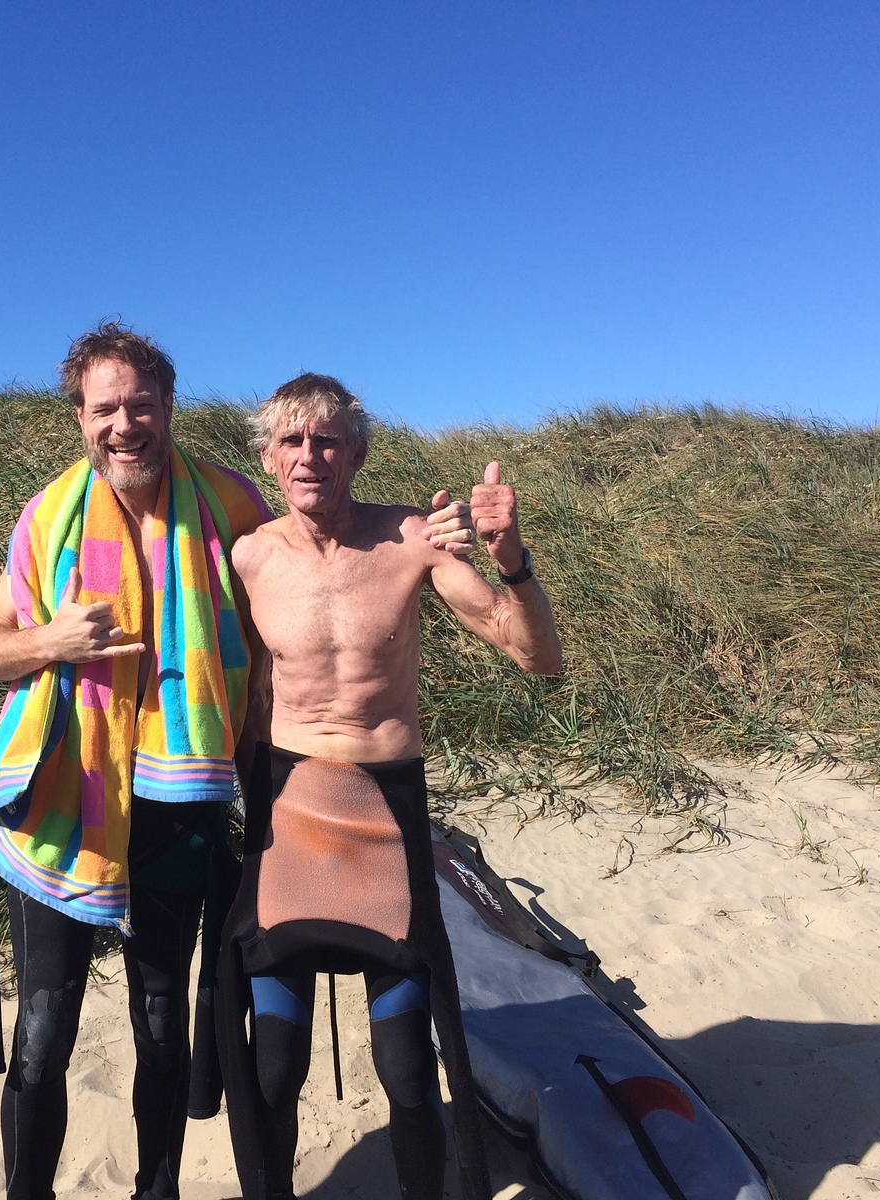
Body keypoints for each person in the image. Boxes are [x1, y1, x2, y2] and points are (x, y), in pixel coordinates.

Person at [0, 328, 475, 1200]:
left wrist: (440, 532)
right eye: (105, 409)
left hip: (174, 804)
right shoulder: (47, 521)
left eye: (141, 406)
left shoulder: (231, 505)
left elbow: (321, 548)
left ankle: (155, 1189)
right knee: (45, 1036)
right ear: (79, 418)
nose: (125, 425)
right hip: (62, 805)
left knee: (162, 1025)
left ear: (169, 409)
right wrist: (50, 640)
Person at [217, 373, 563, 1200]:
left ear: (358, 453)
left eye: (328, 440)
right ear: (268, 457)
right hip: (288, 813)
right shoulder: (249, 556)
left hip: (384, 814)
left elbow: (535, 656)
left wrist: (510, 557)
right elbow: (226, 687)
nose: (311, 455)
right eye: (292, 441)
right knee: (273, 1064)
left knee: (408, 1065)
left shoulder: (413, 539)